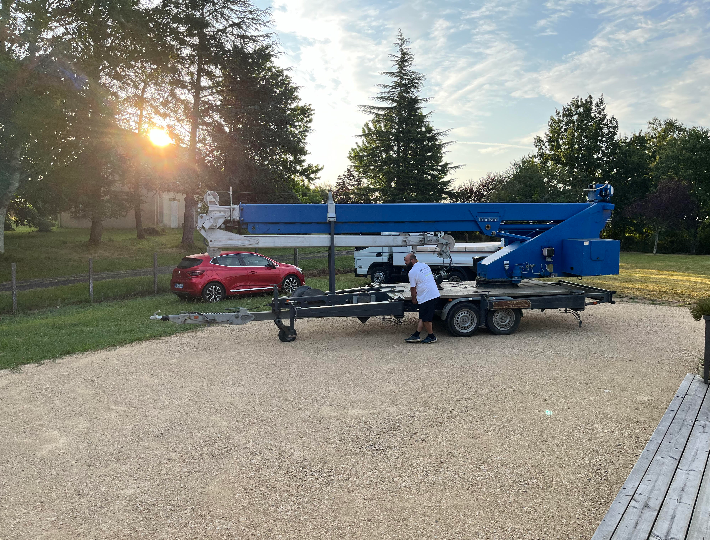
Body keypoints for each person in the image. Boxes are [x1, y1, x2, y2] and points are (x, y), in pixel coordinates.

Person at [404, 252, 440, 344]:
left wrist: (413, 299)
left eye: (406, 261)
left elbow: (413, 288)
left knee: (426, 319)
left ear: (412, 260)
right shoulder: (424, 265)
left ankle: (431, 336)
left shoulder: (412, 272)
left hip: (427, 296)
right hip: (433, 293)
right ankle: (416, 335)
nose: (405, 263)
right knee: (422, 317)